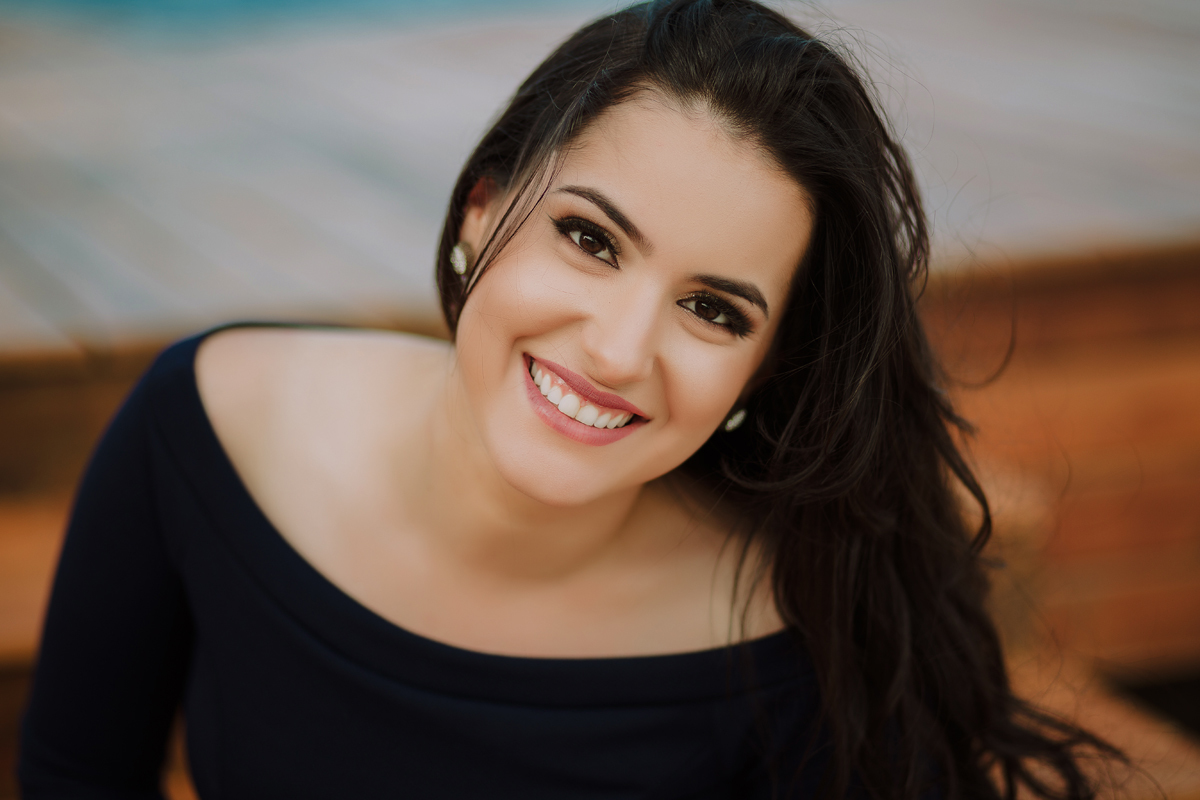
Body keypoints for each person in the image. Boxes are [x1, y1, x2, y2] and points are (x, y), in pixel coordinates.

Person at [19, 1, 1116, 797]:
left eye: (714, 310)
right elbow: (74, 772)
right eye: (590, 239)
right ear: (481, 208)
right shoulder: (209, 424)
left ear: (766, 371)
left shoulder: (789, 639)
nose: (618, 349)